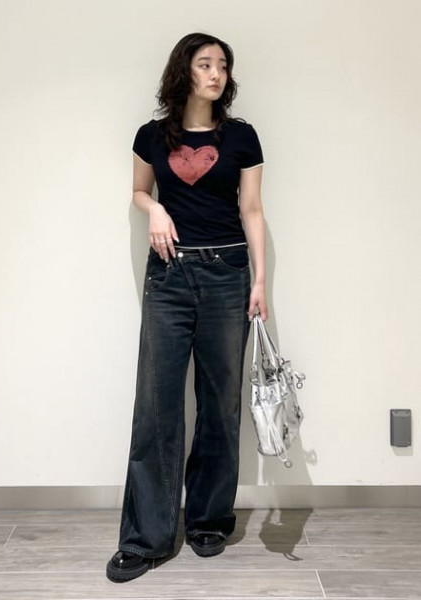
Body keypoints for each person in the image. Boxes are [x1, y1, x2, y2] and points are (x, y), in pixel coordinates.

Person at [106, 32, 268, 583]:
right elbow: (138, 190)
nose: (216, 73)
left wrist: (260, 281)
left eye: (222, 65)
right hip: (170, 276)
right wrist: (152, 208)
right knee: (156, 404)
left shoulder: (241, 137)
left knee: (220, 403)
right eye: (205, 64)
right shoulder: (151, 136)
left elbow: (252, 209)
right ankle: (145, 538)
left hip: (228, 273)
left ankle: (208, 520)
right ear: (184, 71)